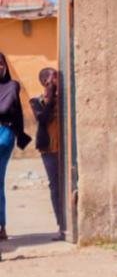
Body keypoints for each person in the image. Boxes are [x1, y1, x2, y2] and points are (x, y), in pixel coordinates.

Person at [30, 68, 65, 240]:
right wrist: (50, 98)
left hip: (65, 149)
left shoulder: (65, 99)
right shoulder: (36, 101)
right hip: (49, 150)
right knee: (55, 186)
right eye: (54, 78)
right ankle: (61, 225)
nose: (57, 80)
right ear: (45, 82)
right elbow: (42, 118)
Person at [0, 52, 31, 240]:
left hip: (3, 134)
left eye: (0, 63)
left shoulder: (12, 86)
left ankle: (1, 226)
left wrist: (19, 135)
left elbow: (6, 108)